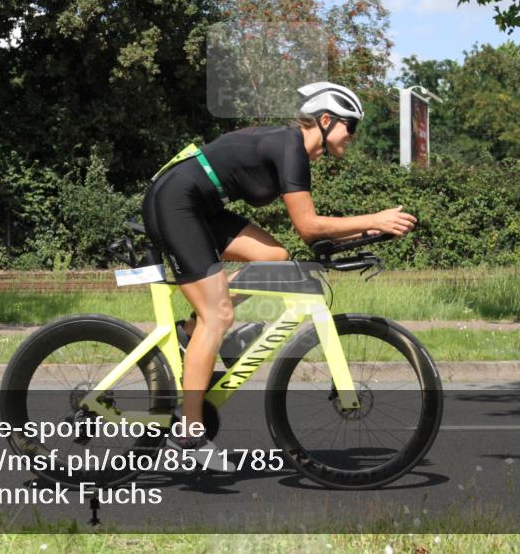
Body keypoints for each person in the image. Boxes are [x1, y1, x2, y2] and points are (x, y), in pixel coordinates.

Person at [140, 81, 418, 470]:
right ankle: (187, 436)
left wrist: (369, 231)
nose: (352, 136)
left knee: (273, 256)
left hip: (200, 204)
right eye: (350, 127)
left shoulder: (295, 152)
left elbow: (312, 233)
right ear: (325, 121)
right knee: (218, 316)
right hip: (176, 202)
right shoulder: (290, 148)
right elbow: (309, 226)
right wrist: (374, 218)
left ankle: (190, 334)